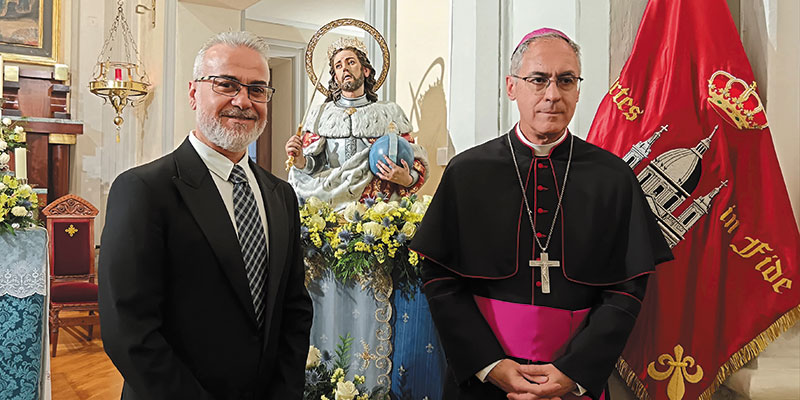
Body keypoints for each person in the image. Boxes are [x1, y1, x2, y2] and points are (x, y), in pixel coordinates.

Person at [409, 28, 673, 400]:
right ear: (511, 87)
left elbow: (626, 289)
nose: (553, 94)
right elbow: (440, 278)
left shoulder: (612, 177)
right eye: (538, 80)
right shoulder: (467, 172)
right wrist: (490, 365)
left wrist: (574, 371)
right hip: (483, 381)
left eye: (566, 81)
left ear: (578, 90)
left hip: (573, 384)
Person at [98, 31, 313, 400]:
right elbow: (128, 330)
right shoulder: (144, 190)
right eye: (226, 84)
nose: (243, 101)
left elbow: (294, 308)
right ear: (194, 93)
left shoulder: (281, 196)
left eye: (257, 89)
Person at [285, 36, 428, 210]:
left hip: (375, 207)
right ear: (336, 78)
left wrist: (406, 179)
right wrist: (300, 160)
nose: (344, 68)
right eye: (338, 66)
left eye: (350, 62)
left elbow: (414, 160)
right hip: (329, 203)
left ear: (365, 71)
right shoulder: (320, 114)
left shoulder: (389, 112)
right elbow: (314, 165)